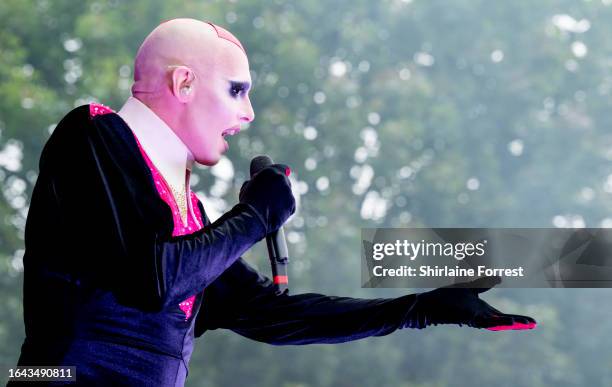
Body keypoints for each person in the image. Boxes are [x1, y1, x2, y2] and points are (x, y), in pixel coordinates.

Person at [12, 18, 536, 386]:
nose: (249, 114)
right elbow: (153, 281)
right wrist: (258, 213)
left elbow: (274, 317)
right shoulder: (94, 134)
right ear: (184, 82)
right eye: (238, 91)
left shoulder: (190, 216)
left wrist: (420, 309)